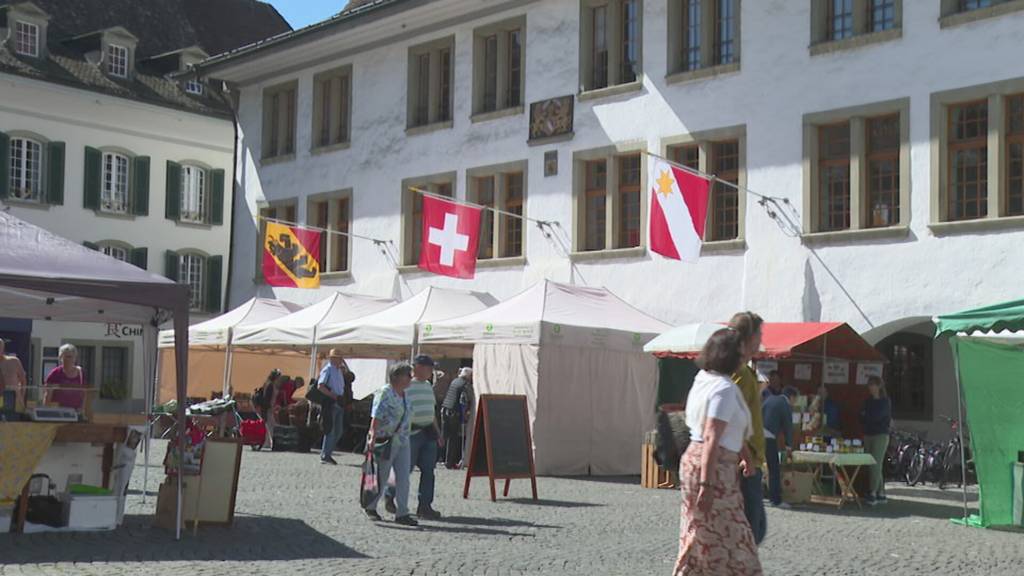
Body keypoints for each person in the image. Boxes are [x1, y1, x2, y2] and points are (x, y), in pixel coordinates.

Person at [674, 327, 762, 575]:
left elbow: (722, 429)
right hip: (713, 465)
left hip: (700, 458)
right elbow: (712, 434)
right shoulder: (723, 388)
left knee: (701, 531)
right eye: (742, 351)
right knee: (728, 536)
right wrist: (707, 485)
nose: (745, 356)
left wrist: (744, 455)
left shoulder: (703, 378)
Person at [386, 355, 444, 520]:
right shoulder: (406, 385)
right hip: (410, 434)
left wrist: (438, 433)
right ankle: (389, 495)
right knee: (404, 469)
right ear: (417, 367)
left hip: (428, 433)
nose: (431, 371)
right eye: (429, 367)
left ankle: (425, 506)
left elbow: (431, 412)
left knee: (428, 471)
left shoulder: (427, 386)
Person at [729, 311, 767, 545]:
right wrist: (746, 457)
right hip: (745, 463)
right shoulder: (741, 374)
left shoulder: (745, 372)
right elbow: (732, 420)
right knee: (751, 531)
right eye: (759, 335)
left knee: (753, 530)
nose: (761, 340)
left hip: (750, 460)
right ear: (749, 338)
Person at [364, 362, 417, 526]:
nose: (411, 378)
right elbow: (376, 415)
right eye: (408, 375)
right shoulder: (385, 392)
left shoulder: (405, 394)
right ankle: (371, 506)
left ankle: (402, 512)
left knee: (403, 478)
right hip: (386, 440)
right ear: (398, 376)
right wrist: (372, 437)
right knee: (382, 476)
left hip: (403, 440)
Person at [762, 386, 798, 508]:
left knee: (755, 466)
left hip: (756, 435)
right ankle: (775, 499)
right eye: (795, 400)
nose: (794, 403)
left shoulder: (768, 399)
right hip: (769, 437)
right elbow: (788, 426)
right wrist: (789, 446)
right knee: (774, 469)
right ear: (791, 397)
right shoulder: (785, 405)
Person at [861, 376, 892, 505]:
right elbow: (861, 415)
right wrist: (867, 417)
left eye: (873, 385)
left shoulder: (885, 401)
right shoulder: (868, 401)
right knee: (871, 463)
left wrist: (867, 416)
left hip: (880, 435)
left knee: (876, 463)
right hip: (868, 434)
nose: (871, 388)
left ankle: (872, 492)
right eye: (869, 385)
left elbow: (877, 417)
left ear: (879, 386)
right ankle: (881, 493)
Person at [318, 349, 351, 465]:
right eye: (339, 358)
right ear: (333, 359)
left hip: (339, 403)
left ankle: (328, 453)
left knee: (338, 431)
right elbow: (320, 386)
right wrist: (333, 396)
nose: (341, 360)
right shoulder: (328, 370)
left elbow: (349, 376)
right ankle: (325, 455)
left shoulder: (338, 371)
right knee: (330, 430)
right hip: (331, 403)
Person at [442, 367, 474, 469]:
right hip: (454, 412)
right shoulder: (465, 385)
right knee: (453, 438)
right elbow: (468, 398)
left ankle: (443, 459)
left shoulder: (455, 381)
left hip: (445, 409)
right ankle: (450, 462)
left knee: (445, 436)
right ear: (469, 376)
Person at [45, 344, 88, 413]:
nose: (68, 360)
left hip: (76, 412)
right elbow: (47, 395)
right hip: (59, 411)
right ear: (61, 358)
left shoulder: (81, 373)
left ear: (75, 358)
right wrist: (47, 412)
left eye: (70, 357)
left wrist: (82, 411)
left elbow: (84, 394)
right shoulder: (55, 374)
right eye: (65, 357)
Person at [0, 339, 27, 412]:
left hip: (15, 400)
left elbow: (23, 380)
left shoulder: (14, 361)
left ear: (3, 348)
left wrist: (21, 397)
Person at [258, 370, 281, 450]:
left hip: (269, 408)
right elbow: (268, 398)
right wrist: (270, 408)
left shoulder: (270, 384)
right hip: (267, 408)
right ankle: (267, 442)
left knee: (270, 425)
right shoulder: (270, 385)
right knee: (269, 426)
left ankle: (268, 442)